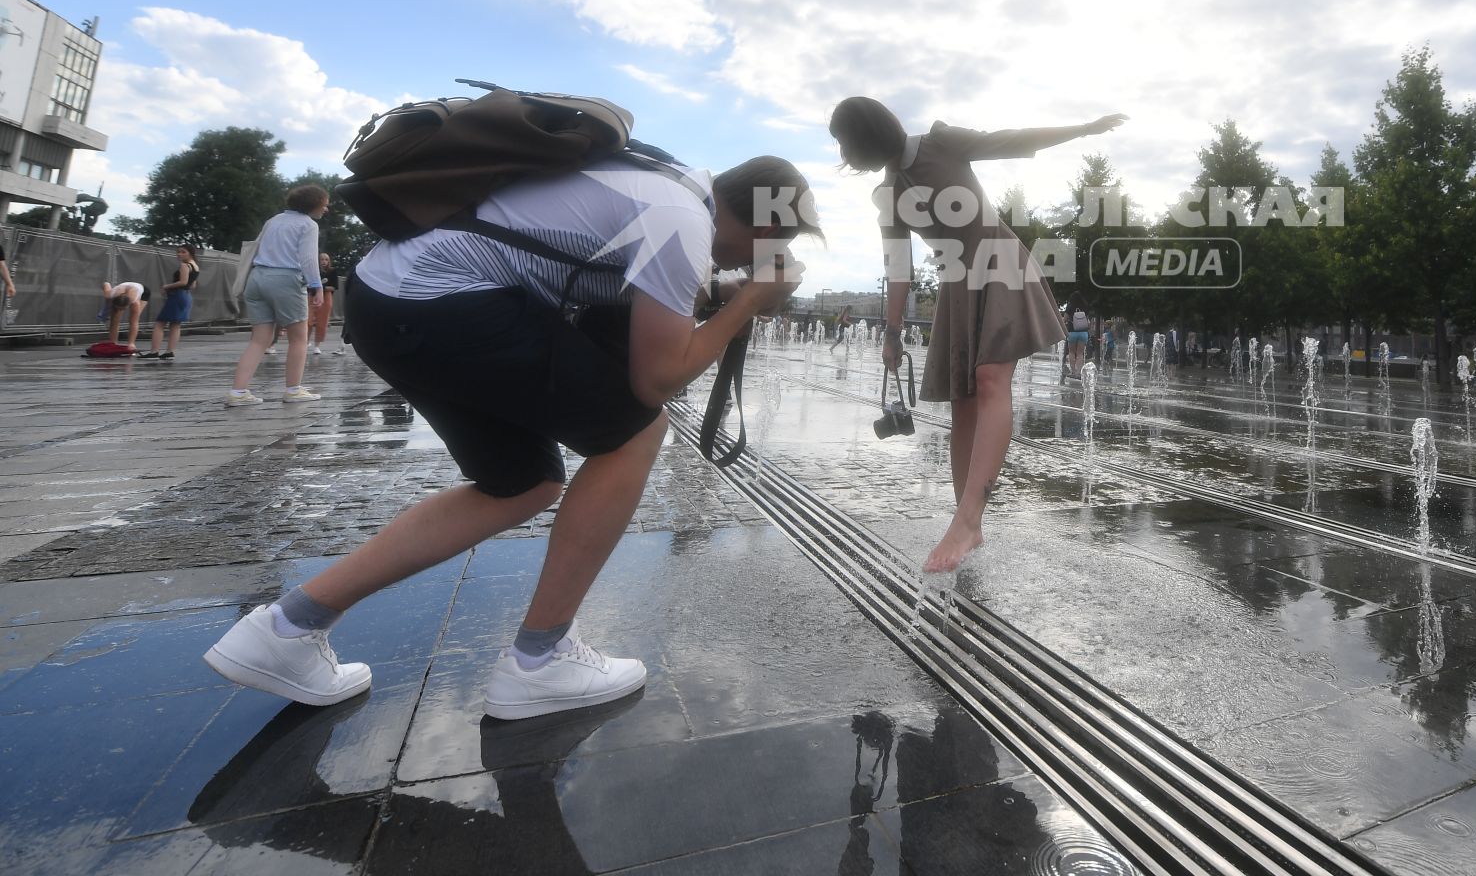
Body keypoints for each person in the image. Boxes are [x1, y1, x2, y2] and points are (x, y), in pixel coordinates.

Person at [202, 153, 815, 716]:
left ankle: (285, 630)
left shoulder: (666, 188)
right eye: (769, 247)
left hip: (394, 303)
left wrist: (725, 294)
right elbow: (658, 378)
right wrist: (750, 301)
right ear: (766, 223)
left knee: (519, 483)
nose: (747, 263)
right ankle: (540, 661)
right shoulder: (682, 219)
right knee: (635, 429)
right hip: (448, 304)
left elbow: (619, 282)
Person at [830, 97, 1125, 572]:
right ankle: (968, 522)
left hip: (999, 262)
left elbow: (1011, 141)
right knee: (962, 398)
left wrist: (1085, 129)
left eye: (844, 141)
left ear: (866, 133)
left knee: (989, 379)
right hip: (957, 283)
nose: (844, 154)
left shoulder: (941, 140)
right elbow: (899, 267)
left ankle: (968, 519)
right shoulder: (887, 193)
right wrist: (890, 331)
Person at [226, 185, 329, 407]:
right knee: (299, 338)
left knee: (259, 340)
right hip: (285, 280)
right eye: (325, 204)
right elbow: (309, 259)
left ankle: (238, 392)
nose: (326, 208)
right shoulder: (308, 225)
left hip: (257, 278)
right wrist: (316, 286)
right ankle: (293, 390)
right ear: (314, 204)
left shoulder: (274, 220)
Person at [142, 245, 199, 359]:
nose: (179, 254)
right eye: (178, 252)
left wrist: (167, 286)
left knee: (160, 323)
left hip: (177, 295)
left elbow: (183, 282)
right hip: (186, 296)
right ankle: (170, 350)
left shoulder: (185, 265)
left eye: (183, 252)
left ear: (190, 253)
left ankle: (154, 351)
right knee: (176, 324)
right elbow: (192, 285)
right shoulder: (195, 267)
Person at [98, 280, 149, 348]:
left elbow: (134, 323)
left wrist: (131, 344)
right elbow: (106, 283)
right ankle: (113, 342)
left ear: (128, 305)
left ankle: (131, 342)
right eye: (119, 308)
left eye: (123, 309)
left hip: (143, 292)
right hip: (122, 289)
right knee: (114, 320)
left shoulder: (134, 302)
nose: (120, 310)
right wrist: (106, 310)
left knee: (133, 319)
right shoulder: (109, 295)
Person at [309, 253, 339, 356]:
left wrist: (322, 288)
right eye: (322, 259)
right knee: (308, 320)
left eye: (326, 259)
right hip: (312, 296)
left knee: (322, 322)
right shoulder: (313, 270)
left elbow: (335, 287)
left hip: (326, 296)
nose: (324, 261)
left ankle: (317, 346)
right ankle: (305, 342)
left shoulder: (332, 271)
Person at [1064, 292, 1092, 374]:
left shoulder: (1070, 306)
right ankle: (1079, 371)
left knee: (1072, 352)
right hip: (1083, 332)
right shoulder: (1085, 306)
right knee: (1080, 353)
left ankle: (1073, 371)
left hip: (1072, 332)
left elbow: (1065, 319)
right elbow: (1087, 320)